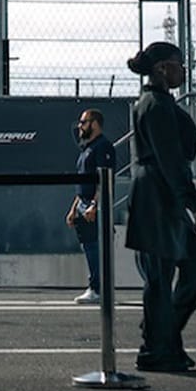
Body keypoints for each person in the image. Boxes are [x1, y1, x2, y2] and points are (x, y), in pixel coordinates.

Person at [125, 41, 196, 372]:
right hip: (157, 195)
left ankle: (162, 340)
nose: (183, 70)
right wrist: (195, 203)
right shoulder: (156, 105)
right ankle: (156, 348)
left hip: (161, 194)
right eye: (179, 64)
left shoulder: (158, 102)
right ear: (163, 67)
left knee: (192, 268)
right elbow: (170, 160)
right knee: (162, 277)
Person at [65, 108, 116, 304]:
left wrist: (94, 205)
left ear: (94, 123)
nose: (80, 126)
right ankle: (95, 287)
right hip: (82, 204)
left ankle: (98, 289)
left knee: (96, 248)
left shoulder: (103, 147)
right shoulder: (87, 149)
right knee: (89, 247)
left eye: (83, 122)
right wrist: (73, 209)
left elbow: (104, 180)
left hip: (94, 207)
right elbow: (83, 182)